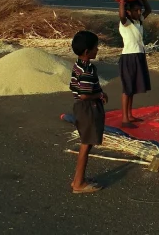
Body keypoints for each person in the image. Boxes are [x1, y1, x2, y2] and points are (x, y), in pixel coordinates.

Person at [69, 30, 108, 194]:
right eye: (95, 48)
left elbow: (74, 88)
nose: (97, 50)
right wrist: (99, 94)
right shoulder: (87, 70)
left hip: (80, 107)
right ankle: (79, 183)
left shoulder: (78, 65)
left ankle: (78, 179)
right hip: (88, 108)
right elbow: (85, 94)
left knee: (87, 143)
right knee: (86, 144)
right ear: (87, 52)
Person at [118, 0, 152, 128]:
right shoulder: (125, 23)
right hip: (129, 57)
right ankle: (125, 118)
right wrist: (121, 0)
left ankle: (130, 115)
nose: (139, 12)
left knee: (132, 88)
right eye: (136, 10)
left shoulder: (139, 21)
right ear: (128, 12)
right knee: (127, 88)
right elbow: (121, 15)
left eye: (140, 10)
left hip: (139, 55)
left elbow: (149, 10)